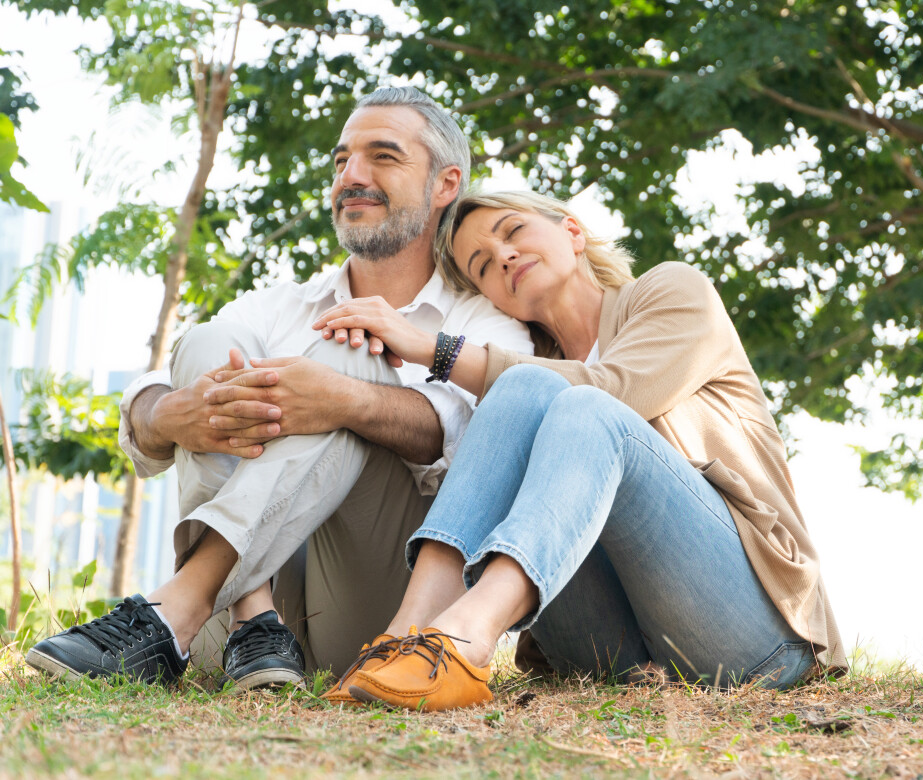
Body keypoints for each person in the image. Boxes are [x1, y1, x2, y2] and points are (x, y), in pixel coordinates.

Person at [24, 89, 532, 691]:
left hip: (376, 620)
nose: (352, 176)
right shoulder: (282, 304)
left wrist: (346, 399)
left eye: (383, 157)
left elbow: (479, 440)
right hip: (230, 640)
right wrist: (165, 416)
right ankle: (252, 616)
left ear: (445, 183)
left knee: (351, 355)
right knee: (210, 340)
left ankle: (184, 599)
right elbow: (153, 390)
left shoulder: (487, 323)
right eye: (341, 160)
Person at [305, 190, 847, 711]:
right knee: (523, 391)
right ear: (491, 297)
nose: (504, 256)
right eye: (483, 265)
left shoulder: (671, 292)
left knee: (582, 406)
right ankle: (408, 636)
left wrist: (433, 348)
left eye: (512, 231)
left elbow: (612, 388)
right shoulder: (525, 375)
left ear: (573, 231)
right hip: (610, 653)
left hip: (748, 634)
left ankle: (468, 634)